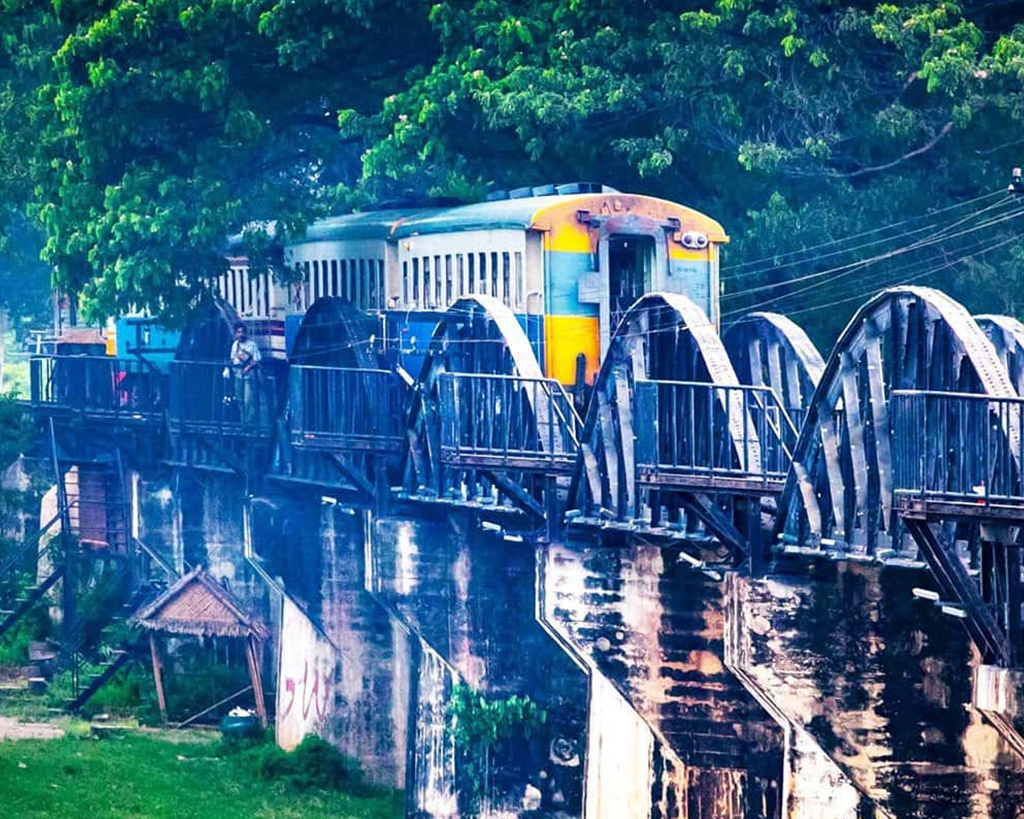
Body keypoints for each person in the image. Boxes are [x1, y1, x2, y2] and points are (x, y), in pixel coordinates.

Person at [228, 322, 262, 425]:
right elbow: (232, 358)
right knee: (240, 400)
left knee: (248, 400)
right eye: (238, 332)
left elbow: (257, 360)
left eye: (242, 332)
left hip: (248, 377)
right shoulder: (235, 345)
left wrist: (248, 367)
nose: (240, 334)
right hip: (238, 376)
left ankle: (249, 422)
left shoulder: (252, 345)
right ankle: (243, 422)